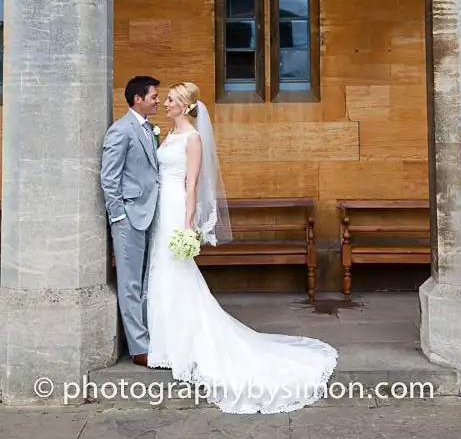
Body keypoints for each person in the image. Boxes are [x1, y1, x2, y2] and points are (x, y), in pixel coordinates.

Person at [144, 82, 338, 414]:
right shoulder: (168, 135)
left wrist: (188, 223)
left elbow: (191, 183)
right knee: (161, 270)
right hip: (161, 208)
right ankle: (162, 341)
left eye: (172, 101)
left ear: (186, 107)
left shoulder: (193, 138)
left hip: (177, 209)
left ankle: (180, 345)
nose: (166, 104)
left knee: (178, 270)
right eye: (167, 100)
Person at [100, 75, 160, 366]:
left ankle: (150, 336)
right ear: (138, 98)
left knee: (147, 281)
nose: (157, 100)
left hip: (150, 215)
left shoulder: (149, 129)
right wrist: (119, 215)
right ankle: (139, 348)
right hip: (129, 219)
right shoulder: (120, 131)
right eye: (154, 96)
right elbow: (109, 177)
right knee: (130, 283)